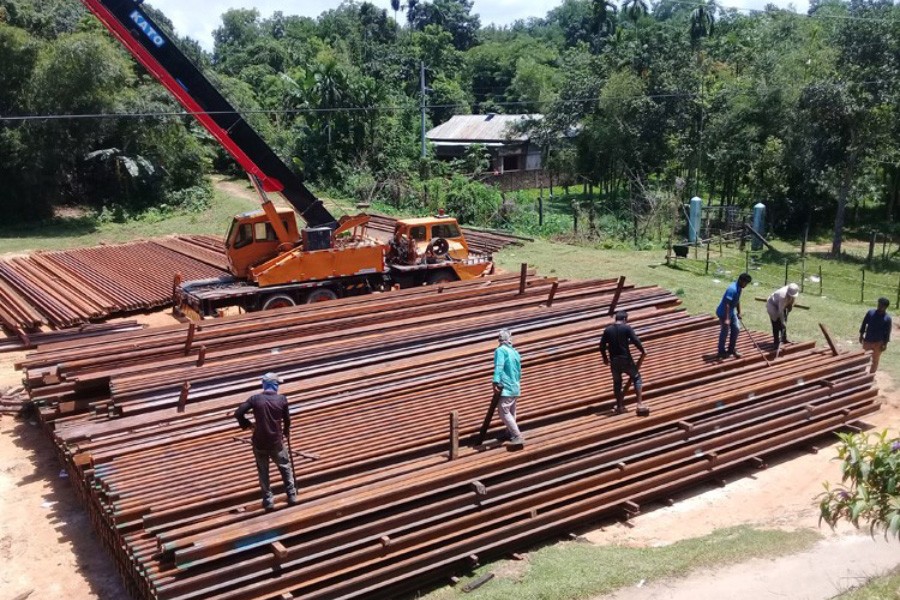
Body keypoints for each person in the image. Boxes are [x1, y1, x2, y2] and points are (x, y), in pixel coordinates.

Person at [235, 372, 298, 511]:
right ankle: (291, 495)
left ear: (264, 384)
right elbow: (287, 419)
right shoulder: (282, 399)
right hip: (276, 442)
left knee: (263, 471)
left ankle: (268, 501)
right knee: (285, 467)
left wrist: (247, 425)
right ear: (275, 385)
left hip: (259, 442)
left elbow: (238, 413)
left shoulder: (255, 399)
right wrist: (286, 432)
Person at [599, 311, 648, 415]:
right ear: (625, 319)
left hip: (614, 361)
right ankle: (639, 404)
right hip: (626, 360)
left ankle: (620, 407)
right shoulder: (627, 328)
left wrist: (605, 358)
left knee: (617, 383)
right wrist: (642, 350)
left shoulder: (608, 330)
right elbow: (635, 340)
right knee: (636, 378)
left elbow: (601, 346)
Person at [492, 329, 524, 446]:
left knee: (503, 411)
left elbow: (499, 366)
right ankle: (509, 432)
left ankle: (517, 435)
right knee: (511, 411)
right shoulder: (514, 352)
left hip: (507, 387)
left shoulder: (500, 351)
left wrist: (495, 382)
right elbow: (519, 370)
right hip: (515, 385)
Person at [716, 273, 752, 359]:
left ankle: (731, 349)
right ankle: (721, 351)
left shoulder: (739, 288)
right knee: (725, 331)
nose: (746, 285)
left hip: (731, 312)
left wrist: (739, 312)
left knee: (736, 329)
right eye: (745, 283)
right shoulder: (732, 289)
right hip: (724, 313)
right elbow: (727, 304)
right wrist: (727, 318)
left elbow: (737, 300)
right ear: (740, 280)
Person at [859, 297, 892, 373]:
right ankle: (861, 374)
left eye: (881, 305)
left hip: (878, 343)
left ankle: (871, 375)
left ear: (885, 307)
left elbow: (887, 332)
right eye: (879, 304)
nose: (879, 306)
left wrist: (885, 344)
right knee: (864, 358)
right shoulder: (870, 313)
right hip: (867, 340)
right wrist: (861, 334)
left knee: (875, 360)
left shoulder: (887, 319)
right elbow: (864, 324)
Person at [766, 283, 800, 352]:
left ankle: (784, 339)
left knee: (784, 323)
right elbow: (780, 311)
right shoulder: (782, 295)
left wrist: (791, 305)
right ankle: (776, 343)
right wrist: (782, 321)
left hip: (781, 305)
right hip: (772, 305)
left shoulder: (792, 290)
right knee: (776, 323)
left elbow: (792, 298)